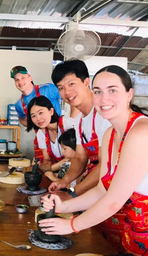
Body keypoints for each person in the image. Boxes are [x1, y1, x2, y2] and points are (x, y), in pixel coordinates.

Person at [40, 65, 148, 256]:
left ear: (129, 94)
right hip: (144, 226)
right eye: (98, 92)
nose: (104, 99)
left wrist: (71, 225)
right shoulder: (110, 134)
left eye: (112, 90)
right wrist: (65, 205)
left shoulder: (142, 132)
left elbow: (114, 201)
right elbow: (103, 189)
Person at [48, 59, 111, 196]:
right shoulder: (80, 121)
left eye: (71, 84)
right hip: (98, 186)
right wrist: (63, 182)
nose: (67, 92)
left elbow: (105, 166)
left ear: (86, 82)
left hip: (114, 188)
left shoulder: (104, 115)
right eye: (61, 88)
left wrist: (73, 193)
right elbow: (80, 158)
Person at [26, 96, 75, 171]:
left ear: (51, 111)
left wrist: (52, 168)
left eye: (41, 113)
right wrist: (39, 165)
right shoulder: (41, 133)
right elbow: (47, 160)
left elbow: (76, 155)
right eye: (33, 116)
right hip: (58, 173)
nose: (38, 118)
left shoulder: (68, 124)